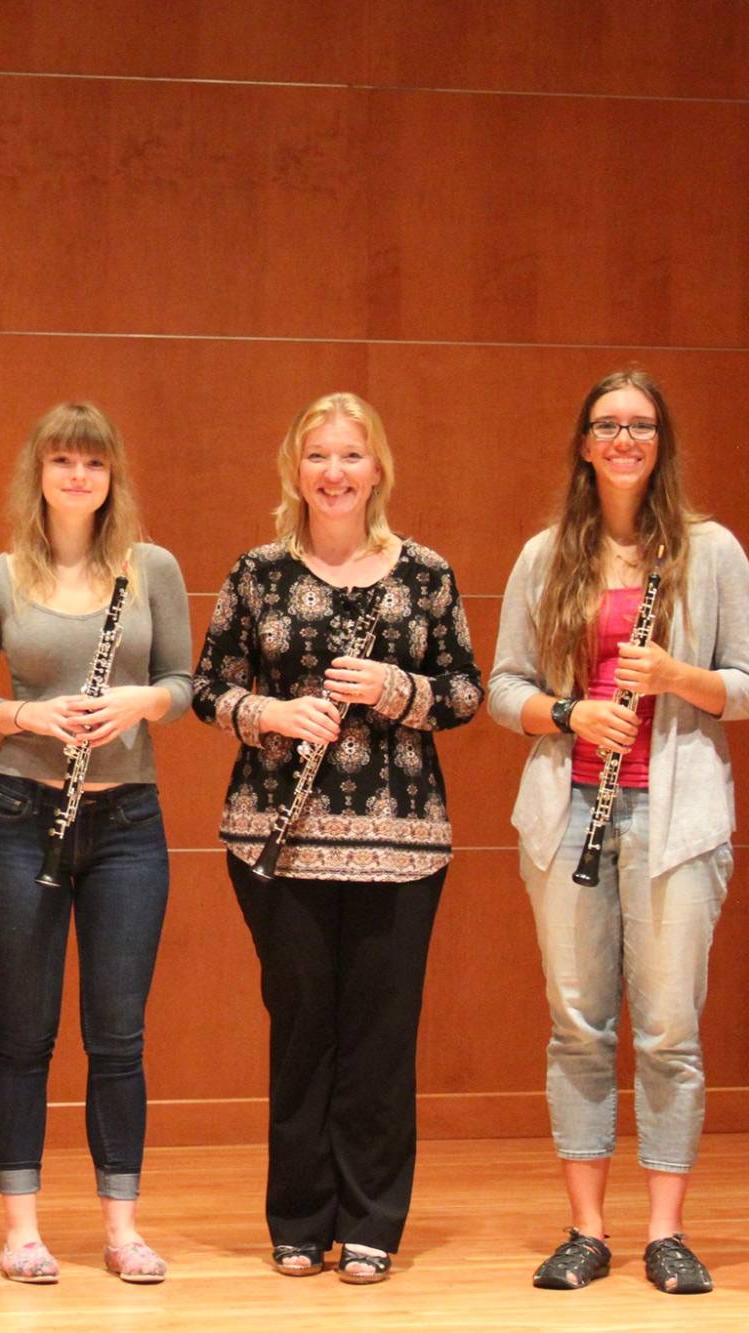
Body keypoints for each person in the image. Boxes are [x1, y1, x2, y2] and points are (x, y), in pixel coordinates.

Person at [487, 369, 749, 1296]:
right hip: (569, 813)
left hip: (677, 819)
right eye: (607, 424)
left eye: (641, 425)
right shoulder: (545, 555)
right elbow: (504, 688)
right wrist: (571, 714)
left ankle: (666, 1233)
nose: (623, 438)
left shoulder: (712, 550)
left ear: (662, 443)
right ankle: (586, 1229)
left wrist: (678, 677)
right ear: (584, 442)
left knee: (669, 1030)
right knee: (577, 1025)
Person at [191, 391, 481, 1284]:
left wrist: (401, 691)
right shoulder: (257, 572)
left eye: (351, 455)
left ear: (378, 469)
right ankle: (298, 1214)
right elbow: (206, 687)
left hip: (401, 841)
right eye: (318, 455)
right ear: (295, 468)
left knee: (382, 1035)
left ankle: (372, 1222)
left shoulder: (425, 575)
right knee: (303, 1026)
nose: (335, 472)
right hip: (277, 840)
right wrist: (272, 712)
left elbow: (467, 689)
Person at [0, 402, 192, 1285]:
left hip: (129, 820)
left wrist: (138, 703)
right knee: (23, 1033)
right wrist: (29, 713)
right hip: (22, 814)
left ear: (112, 474)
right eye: (62, 461)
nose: (78, 476)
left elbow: (185, 681)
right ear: (38, 474)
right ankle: (22, 1230)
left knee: (118, 1034)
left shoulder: (151, 566)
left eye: (93, 462)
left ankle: (122, 1228)